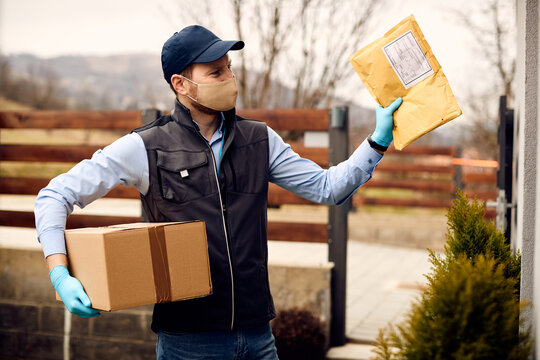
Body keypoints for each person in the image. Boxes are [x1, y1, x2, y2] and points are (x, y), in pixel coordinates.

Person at [34, 25, 402, 360]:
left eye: (229, 68)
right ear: (181, 84)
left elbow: (328, 188)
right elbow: (55, 196)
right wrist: (60, 274)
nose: (229, 79)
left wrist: (378, 141)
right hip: (188, 342)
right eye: (215, 72)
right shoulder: (146, 147)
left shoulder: (260, 139)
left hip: (258, 336)